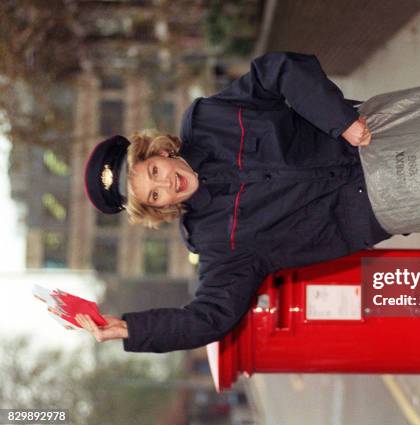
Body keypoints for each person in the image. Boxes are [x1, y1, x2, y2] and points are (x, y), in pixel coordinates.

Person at [77, 51, 393, 352]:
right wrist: (132, 329)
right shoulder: (217, 243)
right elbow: (208, 318)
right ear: (158, 208)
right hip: (386, 203)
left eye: (155, 171)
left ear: (159, 152)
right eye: (155, 194)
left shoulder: (211, 119)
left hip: (377, 129)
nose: (167, 183)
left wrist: (341, 122)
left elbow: (278, 70)